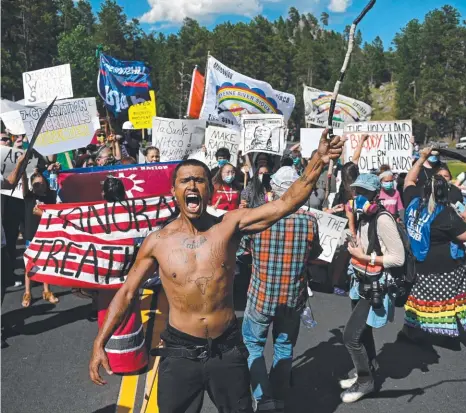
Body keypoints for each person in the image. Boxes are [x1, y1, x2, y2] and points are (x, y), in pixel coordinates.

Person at [89, 129, 344, 413]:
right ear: (174, 191)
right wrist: (100, 342)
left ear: (209, 190)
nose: (193, 186)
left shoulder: (229, 226)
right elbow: (127, 293)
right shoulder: (158, 242)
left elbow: (286, 203)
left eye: (199, 181)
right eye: (185, 181)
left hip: (227, 350)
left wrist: (318, 160)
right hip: (180, 353)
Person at [242, 167, 321, 412]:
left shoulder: (258, 219)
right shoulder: (309, 221)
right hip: (291, 297)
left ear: (272, 191)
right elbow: (315, 253)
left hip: (260, 296)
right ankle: (278, 394)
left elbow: (244, 249)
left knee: (253, 345)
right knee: (284, 346)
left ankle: (262, 397)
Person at [342, 173, 405, 403]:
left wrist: (365, 257)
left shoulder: (383, 219)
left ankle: (366, 381)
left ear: (376, 195)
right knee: (363, 331)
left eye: (365, 193)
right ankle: (364, 370)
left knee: (350, 337)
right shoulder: (362, 218)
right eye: (357, 191)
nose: (359, 196)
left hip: (375, 283)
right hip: (360, 280)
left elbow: (397, 258)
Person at [402, 147, 466, 341]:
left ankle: (411, 331)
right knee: (452, 300)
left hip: (418, 265)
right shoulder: (446, 215)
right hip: (444, 269)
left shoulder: (413, 202)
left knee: (420, 301)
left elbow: (409, 180)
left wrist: (421, 158)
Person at [21, 165, 59, 307]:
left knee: (46, 264)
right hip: (32, 237)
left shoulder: (51, 196)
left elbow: (55, 182)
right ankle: (27, 292)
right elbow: (24, 182)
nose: (39, 187)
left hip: (46, 235)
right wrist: (24, 170)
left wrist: (53, 171)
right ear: (32, 186)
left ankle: (46, 291)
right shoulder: (29, 197)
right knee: (30, 266)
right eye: (36, 184)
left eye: (42, 184)